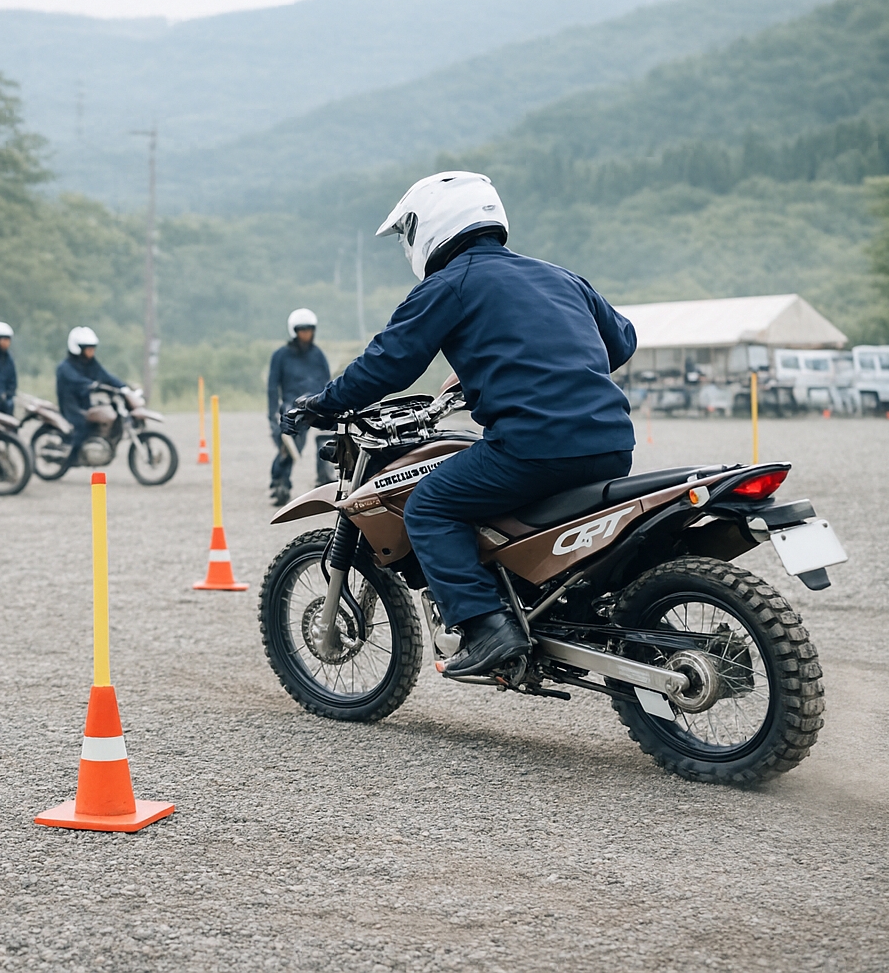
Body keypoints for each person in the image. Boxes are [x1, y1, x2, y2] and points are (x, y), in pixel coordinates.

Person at [284, 171, 636, 677]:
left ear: (430, 227)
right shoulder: (560, 277)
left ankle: (487, 629)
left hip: (532, 448)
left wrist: (323, 403)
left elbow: (388, 364)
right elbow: (621, 343)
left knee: (429, 505)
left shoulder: (449, 285)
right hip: (610, 443)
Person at [267, 308, 333, 506]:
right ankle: (280, 482)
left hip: (318, 403)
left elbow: (327, 381)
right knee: (292, 446)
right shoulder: (281, 355)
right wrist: (271, 414)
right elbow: (272, 386)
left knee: (331, 440)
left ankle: (326, 480)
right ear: (294, 331)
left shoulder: (318, 355)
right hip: (293, 406)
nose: (306, 333)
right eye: (302, 330)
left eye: (310, 329)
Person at [55, 326, 126, 471]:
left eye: (93, 348)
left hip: (85, 404)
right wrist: (92, 385)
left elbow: (105, 376)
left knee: (98, 422)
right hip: (71, 406)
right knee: (82, 426)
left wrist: (123, 387)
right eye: (88, 349)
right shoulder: (65, 367)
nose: (91, 352)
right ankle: (70, 459)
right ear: (77, 349)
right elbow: (76, 380)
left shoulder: (90, 363)